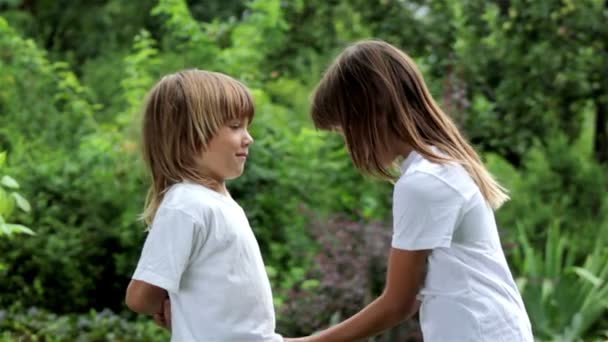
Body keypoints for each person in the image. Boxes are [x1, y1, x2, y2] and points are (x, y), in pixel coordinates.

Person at [285, 40, 533, 341]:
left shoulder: (424, 182)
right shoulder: (437, 165)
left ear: (371, 111)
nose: (348, 144)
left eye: (345, 130)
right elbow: (414, 293)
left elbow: (398, 303)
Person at [125, 69, 282, 342]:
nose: (248, 138)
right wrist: (164, 303)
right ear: (188, 136)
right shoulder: (187, 204)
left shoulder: (216, 203)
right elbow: (140, 297)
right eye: (234, 126)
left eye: (246, 126)